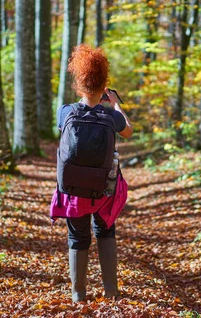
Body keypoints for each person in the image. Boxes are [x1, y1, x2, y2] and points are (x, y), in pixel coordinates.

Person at [50, 44, 133, 302]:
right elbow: (128, 130)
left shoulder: (66, 111)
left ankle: (78, 295)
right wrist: (115, 104)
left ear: (79, 82)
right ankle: (111, 292)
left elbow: (63, 129)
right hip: (104, 189)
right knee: (105, 231)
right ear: (102, 84)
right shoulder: (110, 117)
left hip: (74, 190)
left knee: (78, 235)